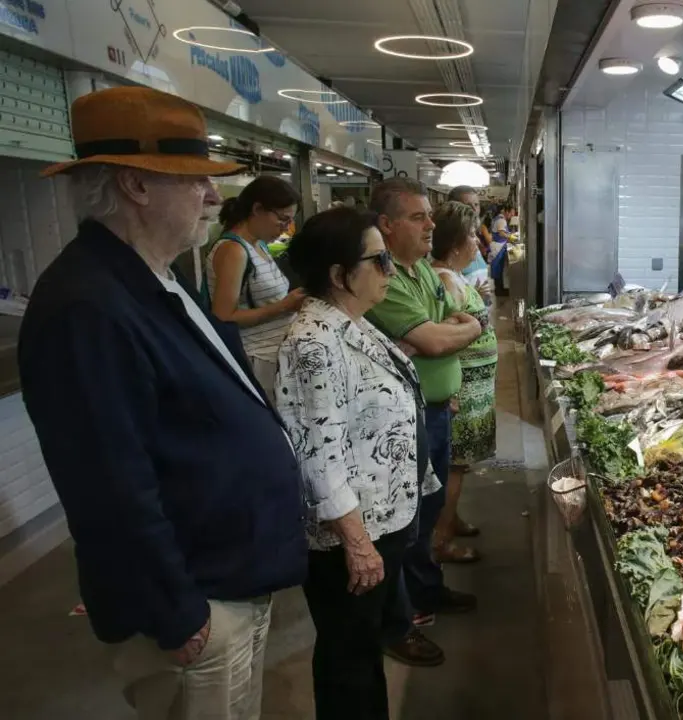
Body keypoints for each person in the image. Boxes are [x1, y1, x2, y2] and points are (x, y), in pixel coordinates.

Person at [18, 86, 307, 719]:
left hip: (231, 579)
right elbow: (107, 485)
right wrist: (176, 613)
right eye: (196, 180)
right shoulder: (87, 307)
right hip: (197, 608)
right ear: (135, 185)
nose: (214, 197)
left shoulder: (154, 277)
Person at [275, 207, 442, 719]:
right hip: (352, 537)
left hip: (382, 518)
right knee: (348, 658)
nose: (390, 271)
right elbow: (318, 455)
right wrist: (357, 543)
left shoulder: (351, 323)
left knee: (364, 648)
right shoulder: (313, 342)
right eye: (379, 260)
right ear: (338, 274)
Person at [365, 178, 482, 659]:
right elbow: (435, 340)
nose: (431, 224)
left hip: (434, 408)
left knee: (429, 510)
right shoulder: (386, 278)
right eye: (418, 217)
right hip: (400, 418)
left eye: (430, 215)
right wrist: (452, 332)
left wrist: (453, 332)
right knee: (402, 522)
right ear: (386, 225)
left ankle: (426, 591)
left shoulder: (420, 271)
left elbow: (457, 319)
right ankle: (401, 621)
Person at [425, 202, 499, 559]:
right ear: (455, 244)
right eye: (471, 235)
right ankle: (440, 540)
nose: (477, 242)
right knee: (454, 465)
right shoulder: (443, 279)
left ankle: (451, 520)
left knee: (459, 464)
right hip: (463, 389)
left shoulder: (452, 275)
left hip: (472, 386)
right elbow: (441, 334)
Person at [207, 175, 306, 396]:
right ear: (258, 209)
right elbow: (223, 316)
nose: (285, 228)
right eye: (282, 219)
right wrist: (284, 306)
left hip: (275, 355)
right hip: (257, 358)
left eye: (290, 222)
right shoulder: (233, 250)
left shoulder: (259, 244)